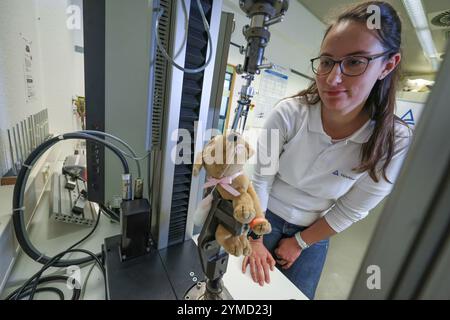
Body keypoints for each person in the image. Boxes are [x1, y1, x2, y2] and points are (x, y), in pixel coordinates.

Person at [242, 1, 413, 300]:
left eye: (355, 62)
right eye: (327, 62)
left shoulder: (393, 142)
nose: (333, 79)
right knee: (245, 294)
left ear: (387, 65)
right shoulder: (289, 114)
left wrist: (300, 242)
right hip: (263, 213)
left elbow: (352, 208)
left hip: (315, 229)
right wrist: (255, 236)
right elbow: (261, 179)